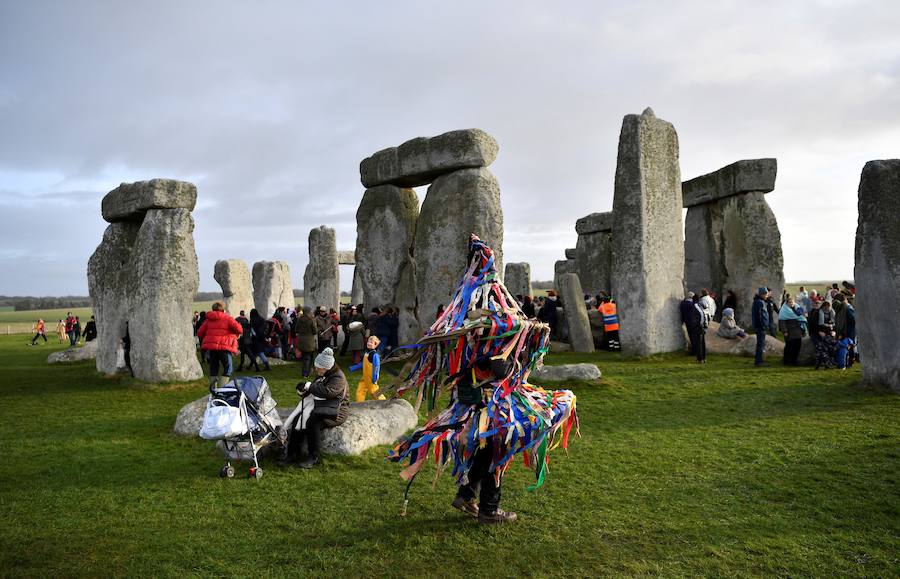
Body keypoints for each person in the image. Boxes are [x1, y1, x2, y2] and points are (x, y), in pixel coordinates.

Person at [389, 236, 578, 525]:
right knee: (496, 455)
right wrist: (512, 356)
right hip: (489, 407)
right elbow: (500, 369)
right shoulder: (484, 329)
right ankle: (489, 510)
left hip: (472, 404)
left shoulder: (463, 320)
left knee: (486, 452)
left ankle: (466, 495)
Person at [281, 348, 349, 468]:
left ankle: (314, 457)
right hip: (321, 406)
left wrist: (309, 386)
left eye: (319, 367)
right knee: (298, 419)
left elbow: (327, 393)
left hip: (336, 411)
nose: (316, 369)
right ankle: (292, 454)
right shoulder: (322, 374)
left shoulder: (338, 378)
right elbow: (313, 391)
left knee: (313, 422)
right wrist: (302, 391)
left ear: (327, 367)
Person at [197, 301, 243, 389]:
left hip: (212, 348)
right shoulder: (228, 318)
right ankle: (222, 388)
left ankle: (213, 389)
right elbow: (239, 330)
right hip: (224, 347)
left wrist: (209, 335)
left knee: (214, 368)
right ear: (223, 309)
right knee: (228, 367)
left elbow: (199, 333)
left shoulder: (208, 319)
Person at [350, 335, 386, 401]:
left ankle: (383, 402)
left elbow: (376, 367)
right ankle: (360, 404)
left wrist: (375, 377)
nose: (369, 343)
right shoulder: (366, 353)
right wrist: (354, 367)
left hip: (371, 378)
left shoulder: (374, 355)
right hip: (365, 377)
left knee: (374, 391)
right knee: (360, 390)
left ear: (375, 345)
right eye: (369, 341)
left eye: (371, 342)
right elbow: (363, 363)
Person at [779, 297, 807, 365]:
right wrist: (784, 331)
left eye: (792, 302)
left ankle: (793, 361)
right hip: (789, 331)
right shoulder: (784, 310)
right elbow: (782, 322)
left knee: (797, 347)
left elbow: (801, 318)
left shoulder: (797, 308)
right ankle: (786, 361)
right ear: (786, 303)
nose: (791, 303)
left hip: (798, 331)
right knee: (789, 346)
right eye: (789, 302)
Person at [293, 306, 318, 377]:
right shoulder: (311, 320)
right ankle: (305, 373)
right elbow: (315, 331)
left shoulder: (299, 319)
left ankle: (307, 372)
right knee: (308, 358)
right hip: (310, 341)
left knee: (305, 358)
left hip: (301, 340)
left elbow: (296, 329)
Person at [751, 287, 770, 367]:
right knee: (760, 344)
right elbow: (760, 316)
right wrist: (763, 325)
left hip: (759, 326)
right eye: (766, 294)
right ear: (762, 294)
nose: (767, 296)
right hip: (761, 327)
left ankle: (759, 360)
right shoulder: (760, 302)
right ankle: (759, 362)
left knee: (760, 344)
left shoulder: (757, 301)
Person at [680, 293, 701, 357]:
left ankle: (693, 350)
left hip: (687, 321)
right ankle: (695, 351)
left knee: (691, 336)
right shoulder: (692, 304)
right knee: (694, 337)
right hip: (693, 322)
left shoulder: (682, 303)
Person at [691, 294, 708, 363]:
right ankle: (703, 358)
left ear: (693, 299)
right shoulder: (700, 306)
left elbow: (700, 316)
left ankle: (700, 359)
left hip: (699, 327)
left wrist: (698, 325)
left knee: (699, 343)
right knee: (702, 343)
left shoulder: (695, 306)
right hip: (702, 327)